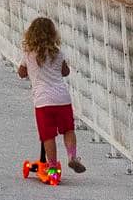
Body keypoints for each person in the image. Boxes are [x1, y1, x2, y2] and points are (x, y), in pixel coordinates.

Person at [16, 16, 85, 175]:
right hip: (62, 98)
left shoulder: (29, 54)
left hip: (43, 101)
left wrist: (31, 72)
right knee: (68, 129)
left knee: (48, 136)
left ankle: (53, 168)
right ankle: (72, 156)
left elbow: (21, 73)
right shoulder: (58, 53)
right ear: (53, 34)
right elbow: (65, 72)